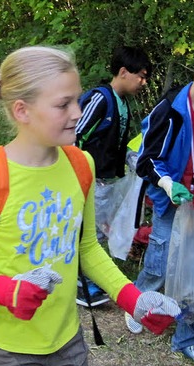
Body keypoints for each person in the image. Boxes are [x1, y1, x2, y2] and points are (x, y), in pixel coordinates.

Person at [0, 46, 180, 366]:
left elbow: (86, 249)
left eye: (77, 101)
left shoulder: (80, 164)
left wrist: (132, 298)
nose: (78, 113)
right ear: (23, 110)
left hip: (66, 341)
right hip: (6, 349)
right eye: (63, 104)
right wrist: (5, 289)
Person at [126, 47, 194, 366]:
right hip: (171, 204)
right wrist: (167, 184)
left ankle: (188, 339)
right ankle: (136, 304)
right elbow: (147, 160)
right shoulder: (170, 110)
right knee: (159, 265)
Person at [74, 46, 152, 308]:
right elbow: (75, 136)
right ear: (122, 71)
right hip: (89, 179)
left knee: (98, 231)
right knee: (88, 233)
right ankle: (81, 283)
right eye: (140, 75)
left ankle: (87, 276)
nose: (144, 82)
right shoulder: (101, 98)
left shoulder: (123, 103)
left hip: (108, 180)